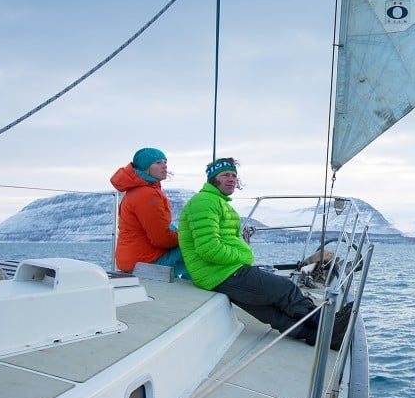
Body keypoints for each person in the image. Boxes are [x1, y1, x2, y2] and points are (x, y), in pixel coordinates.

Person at [178, 157, 350, 349]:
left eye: (234, 175)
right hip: (220, 272)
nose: (231, 179)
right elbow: (208, 249)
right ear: (212, 179)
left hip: (214, 273)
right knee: (286, 290)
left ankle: (318, 337)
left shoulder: (217, 202)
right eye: (225, 175)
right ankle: (327, 325)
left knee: (271, 312)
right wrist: (244, 256)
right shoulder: (204, 201)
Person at [110, 147, 185, 274]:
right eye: (158, 162)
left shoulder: (138, 191)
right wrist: (188, 235)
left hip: (132, 260)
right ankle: (202, 289)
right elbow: (162, 239)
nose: (164, 166)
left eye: (165, 162)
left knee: (174, 229)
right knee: (198, 246)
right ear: (146, 167)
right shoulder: (147, 194)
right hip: (145, 263)